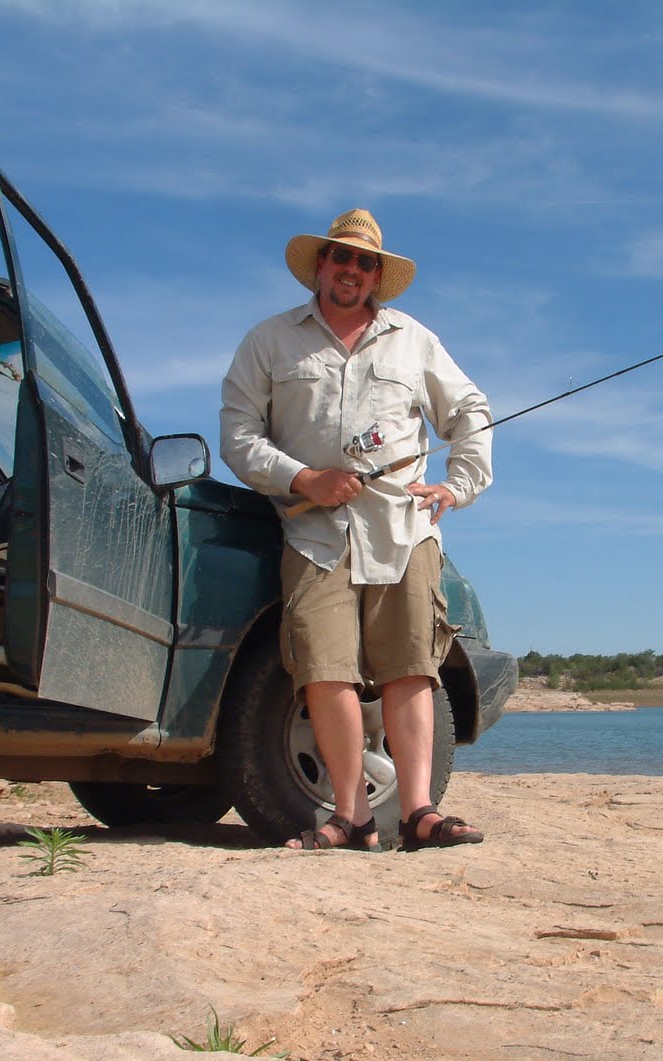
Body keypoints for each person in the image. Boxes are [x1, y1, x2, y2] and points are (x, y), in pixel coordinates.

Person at [220, 209, 494, 851]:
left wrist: (456, 486)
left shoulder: (414, 339)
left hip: (405, 530)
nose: (352, 269)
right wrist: (303, 478)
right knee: (323, 669)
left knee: (411, 668)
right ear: (321, 265)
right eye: (341, 256)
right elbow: (237, 432)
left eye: (366, 262)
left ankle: (420, 813)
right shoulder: (268, 340)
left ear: (377, 275)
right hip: (312, 534)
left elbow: (469, 410)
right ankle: (352, 817)